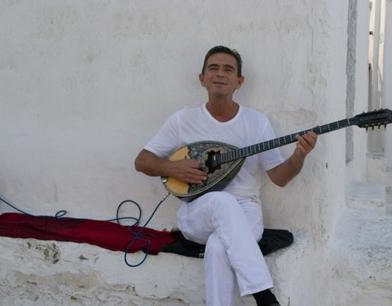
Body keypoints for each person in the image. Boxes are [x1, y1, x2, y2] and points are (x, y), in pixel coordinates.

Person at [135, 46, 317, 306]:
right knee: (222, 201)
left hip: (246, 212)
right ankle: (264, 296)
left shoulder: (257, 123)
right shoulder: (183, 119)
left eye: (228, 69)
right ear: (202, 78)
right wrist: (170, 168)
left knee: (219, 248)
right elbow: (142, 160)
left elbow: (279, 177)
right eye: (213, 68)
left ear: (239, 81)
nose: (220, 74)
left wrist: (299, 155)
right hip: (196, 210)